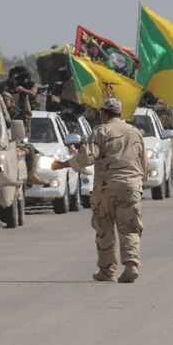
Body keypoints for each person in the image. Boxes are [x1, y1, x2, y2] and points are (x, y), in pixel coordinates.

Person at [61, 96, 147, 282]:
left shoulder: (101, 130)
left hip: (106, 188)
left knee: (104, 229)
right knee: (130, 228)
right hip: (130, 187)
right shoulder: (134, 132)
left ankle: (107, 270)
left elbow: (88, 158)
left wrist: (67, 163)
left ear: (103, 113)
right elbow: (143, 163)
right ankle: (131, 264)